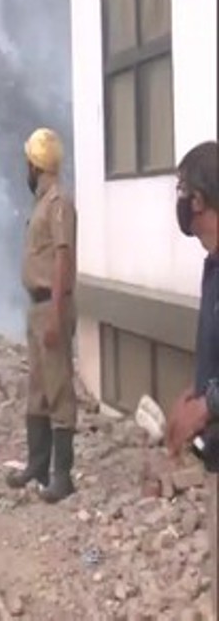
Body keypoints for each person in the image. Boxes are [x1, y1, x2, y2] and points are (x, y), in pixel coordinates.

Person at [6, 127, 79, 503]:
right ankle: (37, 464)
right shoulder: (42, 202)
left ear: (35, 164)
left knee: (58, 388)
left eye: (28, 163)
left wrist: (56, 313)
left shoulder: (58, 203)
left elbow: (63, 257)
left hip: (51, 304)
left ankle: (62, 475)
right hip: (37, 305)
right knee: (37, 387)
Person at [163, 139, 219, 617]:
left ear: (198, 201)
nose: (179, 203)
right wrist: (197, 391)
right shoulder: (214, 263)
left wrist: (206, 406)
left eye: (182, 191)